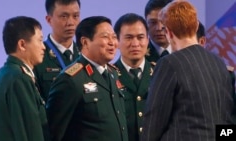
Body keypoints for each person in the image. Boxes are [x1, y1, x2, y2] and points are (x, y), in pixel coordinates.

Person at [141, 1, 235, 141]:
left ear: (168, 32)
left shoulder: (169, 64)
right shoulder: (220, 64)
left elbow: (154, 118)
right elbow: (229, 118)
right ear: (196, 26)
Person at [46, 16, 128, 141]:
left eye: (114, 37)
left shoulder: (113, 73)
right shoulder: (70, 80)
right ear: (85, 42)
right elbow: (54, 132)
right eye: (105, 37)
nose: (112, 43)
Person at [0, 16, 49, 141]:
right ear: (22, 44)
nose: (44, 47)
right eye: (40, 40)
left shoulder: (3, 75)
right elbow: (29, 131)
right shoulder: (19, 79)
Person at [113, 13, 154, 141]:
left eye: (140, 37)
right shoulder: (108, 76)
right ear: (117, 41)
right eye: (129, 38)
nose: (135, 43)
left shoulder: (160, 73)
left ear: (147, 40)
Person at [34, 0, 81, 102]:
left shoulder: (86, 55)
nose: (71, 23)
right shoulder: (37, 57)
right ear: (49, 20)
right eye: (64, 16)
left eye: (75, 16)